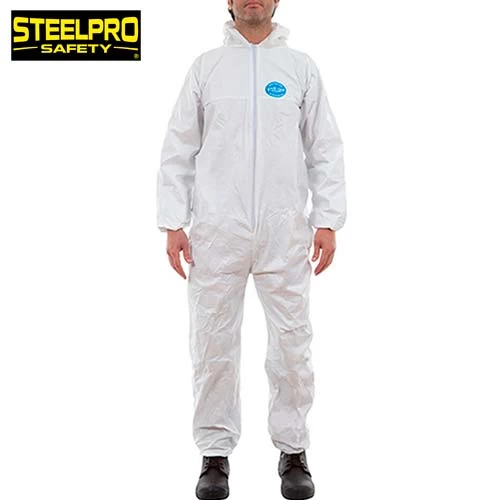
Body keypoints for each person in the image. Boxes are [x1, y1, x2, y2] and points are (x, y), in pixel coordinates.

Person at [156, 1, 347, 498]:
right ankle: (214, 453)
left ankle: (293, 450)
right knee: (213, 343)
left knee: (292, 345)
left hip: (285, 232)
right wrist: (173, 221)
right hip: (217, 229)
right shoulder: (207, 68)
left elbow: (323, 147)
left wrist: (327, 219)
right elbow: (179, 146)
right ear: (228, 1)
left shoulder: (300, 68)